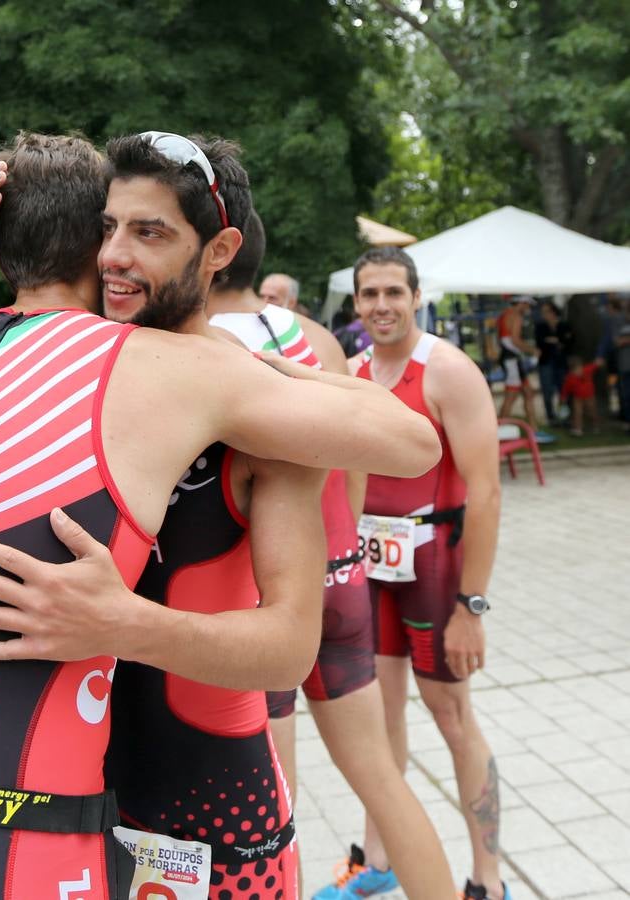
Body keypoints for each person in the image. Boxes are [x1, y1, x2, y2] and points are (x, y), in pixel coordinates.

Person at [0, 134, 439, 899]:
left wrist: (125, 623)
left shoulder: (246, 406)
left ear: (218, 249)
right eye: (105, 228)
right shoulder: (73, 370)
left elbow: (297, 635)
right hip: (75, 804)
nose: (114, 256)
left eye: (147, 233)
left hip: (205, 804)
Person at [208, 236, 453, 898]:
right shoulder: (314, 336)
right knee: (380, 777)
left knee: (272, 797)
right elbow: (350, 468)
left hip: (263, 599)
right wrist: (338, 557)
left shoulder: (191, 345)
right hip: (338, 575)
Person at [344, 246, 509, 900]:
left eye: (392, 292)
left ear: (414, 297)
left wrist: (472, 606)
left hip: (436, 570)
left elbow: (487, 492)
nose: (380, 305)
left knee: (451, 717)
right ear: (355, 304)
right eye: (368, 294)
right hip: (370, 568)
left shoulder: (447, 372)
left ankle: (487, 878)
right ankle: (377, 859)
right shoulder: (351, 371)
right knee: (377, 719)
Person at [495, 296, 546, 438]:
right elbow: (515, 340)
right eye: (527, 305)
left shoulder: (504, 314)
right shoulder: (516, 315)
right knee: (511, 395)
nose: (528, 308)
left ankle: (534, 430)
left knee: (528, 393)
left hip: (511, 358)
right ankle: (499, 430)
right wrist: (533, 350)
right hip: (512, 359)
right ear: (522, 303)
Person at [533, 301, 571, 425]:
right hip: (546, 362)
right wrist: (557, 341)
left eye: (546, 311)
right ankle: (551, 417)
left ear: (553, 312)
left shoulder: (563, 325)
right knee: (547, 390)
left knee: (563, 390)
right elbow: (541, 342)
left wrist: (554, 341)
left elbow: (568, 341)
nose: (544, 314)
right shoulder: (540, 326)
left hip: (561, 362)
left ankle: (564, 416)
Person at [561, 355, 603, 436]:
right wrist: (563, 397)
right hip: (577, 398)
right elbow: (565, 389)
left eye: (579, 369)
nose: (578, 372)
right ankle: (578, 429)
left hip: (589, 396)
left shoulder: (587, 369)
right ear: (571, 370)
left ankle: (596, 425)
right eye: (576, 370)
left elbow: (594, 365)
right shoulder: (569, 378)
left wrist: (598, 363)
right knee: (577, 412)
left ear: (581, 366)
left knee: (592, 411)